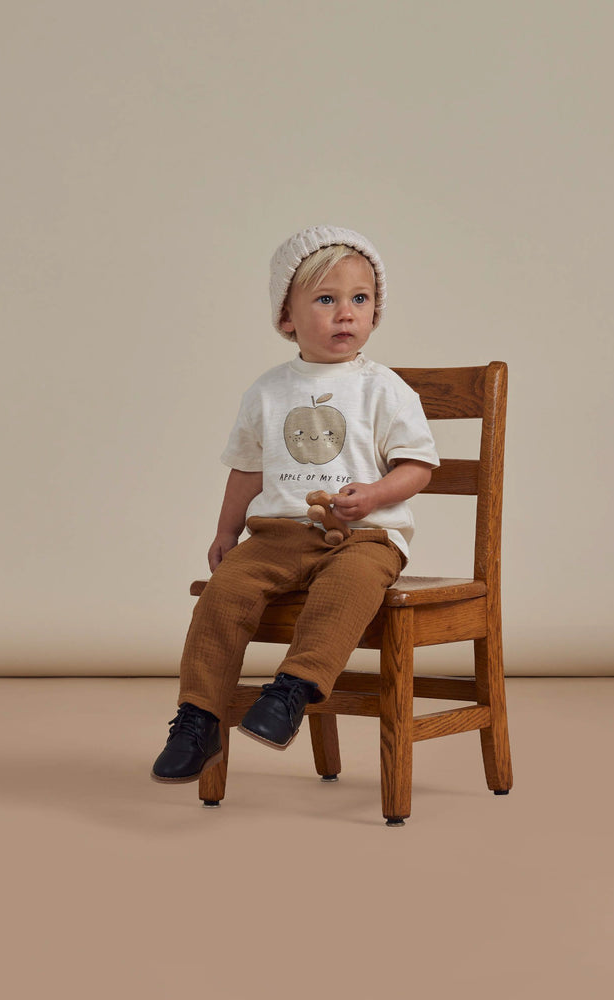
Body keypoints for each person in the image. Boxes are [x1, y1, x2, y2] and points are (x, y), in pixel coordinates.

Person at [151, 225, 439, 783]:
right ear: (287, 317)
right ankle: (198, 718)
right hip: (278, 536)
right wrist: (226, 532)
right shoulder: (267, 390)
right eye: (326, 299)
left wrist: (373, 495)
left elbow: (417, 467)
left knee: (347, 587)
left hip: (365, 538)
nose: (346, 313)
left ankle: (292, 690)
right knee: (223, 596)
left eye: (361, 299)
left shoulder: (385, 388)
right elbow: (247, 469)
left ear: (376, 312)